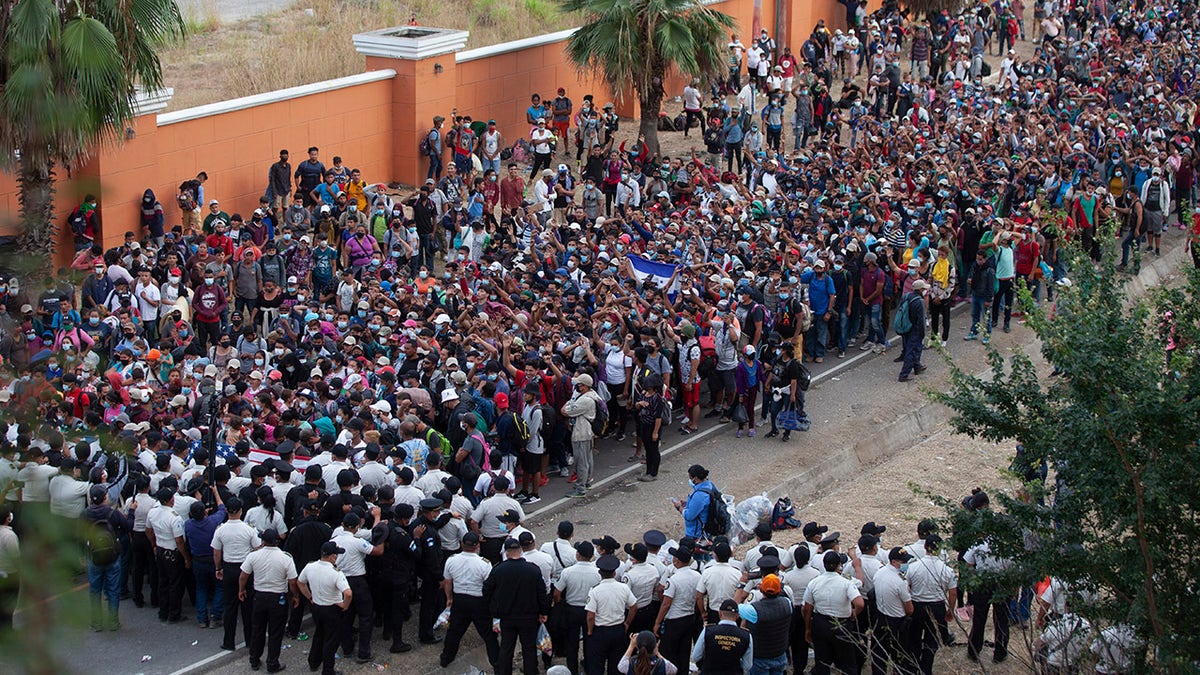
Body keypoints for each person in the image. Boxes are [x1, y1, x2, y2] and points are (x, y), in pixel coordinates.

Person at [484, 537, 551, 675]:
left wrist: (493, 609)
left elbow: (487, 590)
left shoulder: (499, 570)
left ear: (507, 552)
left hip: (507, 616)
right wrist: (544, 612)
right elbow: (541, 593)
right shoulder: (533, 570)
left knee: (506, 647)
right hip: (529, 617)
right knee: (529, 648)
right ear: (520, 550)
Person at [239, 528, 299, 673]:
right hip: (278, 598)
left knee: (257, 629)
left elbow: (243, 576)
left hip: (259, 596)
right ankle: (272, 663)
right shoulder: (286, 557)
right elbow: (292, 581)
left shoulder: (254, 556)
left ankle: (254, 659)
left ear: (263, 541)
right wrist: (295, 596)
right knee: (275, 632)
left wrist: (241, 590)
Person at [440, 531, 500, 669]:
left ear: (462, 544)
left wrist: (449, 598)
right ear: (477, 546)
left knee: (454, 632)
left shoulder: (451, 560)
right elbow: (489, 586)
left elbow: (447, 582)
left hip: (459, 599)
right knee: (488, 635)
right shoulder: (484, 563)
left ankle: (446, 659)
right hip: (479, 601)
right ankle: (497, 664)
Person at [212, 496, 262, 651]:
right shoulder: (249, 529)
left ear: (227, 511)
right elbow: (257, 548)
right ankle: (250, 640)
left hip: (229, 568)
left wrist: (218, 568)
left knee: (230, 607)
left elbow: (217, 552)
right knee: (248, 608)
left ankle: (228, 642)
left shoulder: (220, 529)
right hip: (246, 569)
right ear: (241, 511)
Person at [802, 550, 864, 675]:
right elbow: (860, 604)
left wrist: (808, 628)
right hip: (841, 624)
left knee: (822, 662)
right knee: (848, 662)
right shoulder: (846, 583)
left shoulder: (814, 582)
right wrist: (854, 613)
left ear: (824, 565)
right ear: (839, 565)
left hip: (821, 624)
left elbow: (806, 608)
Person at [83, 484, 135, 631]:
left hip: (93, 556)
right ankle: (113, 621)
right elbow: (128, 526)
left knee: (95, 591)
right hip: (113, 555)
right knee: (113, 590)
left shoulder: (85, 514)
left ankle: (96, 623)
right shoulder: (112, 513)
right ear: (105, 497)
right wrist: (131, 512)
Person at [904, 535, 958, 675]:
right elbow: (953, 593)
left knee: (915, 638)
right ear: (939, 549)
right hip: (937, 606)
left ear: (924, 547)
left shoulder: (913, 567)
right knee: (932, 640)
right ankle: (926, 669)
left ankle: (913, 667)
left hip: (917, 605)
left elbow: (906, 588)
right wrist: (950, 609)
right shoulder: (947, 570)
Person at [297, 540, 352, 675]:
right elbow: (348, 593)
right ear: (332, 556)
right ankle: (328, 670)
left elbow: (300, 582)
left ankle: (314, 661)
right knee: (331, 640)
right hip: (332, 608)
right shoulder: (336, 572)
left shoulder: (310, 566)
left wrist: (309, 597)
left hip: (316, 606)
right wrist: (345, 605)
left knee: (319, 634)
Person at [585, 554, 638, 675]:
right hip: (618, 629)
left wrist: (589, 630)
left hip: (600, 631)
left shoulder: (595, 590)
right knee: (616, 666)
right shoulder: (623, 588)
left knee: (596, 665)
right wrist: (627, 623)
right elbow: (634, 606)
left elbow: (590, 616)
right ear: (614, 573)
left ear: (599, 572)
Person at [145, 486, 190, 624]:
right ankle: (174, 613)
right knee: (175, 584)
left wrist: (154, 544)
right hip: (172, 552)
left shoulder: (152, 513)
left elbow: (148, 531)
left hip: (160, 549)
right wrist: (186, 557)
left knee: (162, 581)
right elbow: (179, 541)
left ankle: (163, 611)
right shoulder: (174, 517)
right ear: (171, 500)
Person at [653, 545, 701, 673]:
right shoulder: (697, 576)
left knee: (668, 652)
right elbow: (698, 597)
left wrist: (657, 622)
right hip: (689, 617)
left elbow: (666, 604)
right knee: (684, 651)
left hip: (674, 619)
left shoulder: (673, 580)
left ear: (676, 561)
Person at [872, 547, 915, 675]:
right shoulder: (900, 581)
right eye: (903, 562)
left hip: (880, 618)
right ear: (894, 562)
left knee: (879, 655)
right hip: (897, 622)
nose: (905, 565)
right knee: (900, 656)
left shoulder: (879, 573)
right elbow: (909, 609)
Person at [738, 573, 792, 675]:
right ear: (780, 590)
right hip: (780, 653)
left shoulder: (753, 610)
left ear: (761, 590)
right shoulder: (787, 604)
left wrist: (741, 584)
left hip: (760, 657)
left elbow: (734, 607)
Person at [897, 279, 928, 382]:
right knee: (912, 350)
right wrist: (923, 334)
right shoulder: (920, 302)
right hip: (915, 329)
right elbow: (921, 320)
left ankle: (917, 366)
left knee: (910, 348)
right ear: (920, 289)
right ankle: (904, 374)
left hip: (906, 327)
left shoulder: (906, 296)